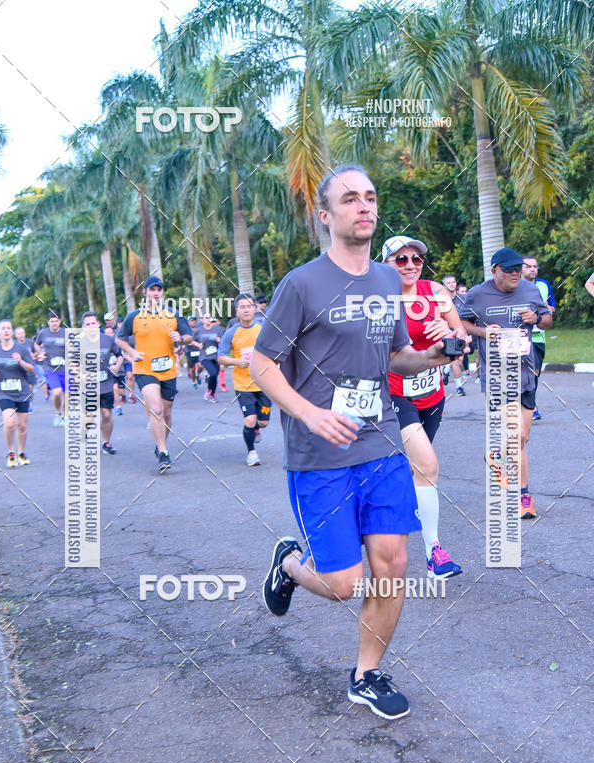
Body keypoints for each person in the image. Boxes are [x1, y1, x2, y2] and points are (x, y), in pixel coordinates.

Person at [250, 165, 456, 721]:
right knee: (342, 584)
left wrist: (440, 354)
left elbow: (394, 358)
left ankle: (367, 674)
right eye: (349, 199)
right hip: (320, 455)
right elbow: (262, 361)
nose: (363, 206)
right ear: (326, 215)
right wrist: (309, 414)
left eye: (370, 196)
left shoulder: (389, 281)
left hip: (382, 442)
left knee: (392, 563)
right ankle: (290, 564)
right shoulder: (302, 284)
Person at [384, 237, 468, 578]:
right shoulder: (378, 298)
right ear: (386, 263)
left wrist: (448, 331)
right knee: (428, 466)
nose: (410, 264)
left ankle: (384, 522)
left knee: (415, 470)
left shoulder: (434, 291)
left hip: (432, 393)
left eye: (416, 258)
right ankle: (434, 551)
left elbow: (461, 335)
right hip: (394, 392)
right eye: (400, 259)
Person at [460, 248, 552, 519]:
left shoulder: (530, 290)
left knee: (522, 438)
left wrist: (536, 319)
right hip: (498, 374)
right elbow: (464, 323)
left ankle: (497, 457)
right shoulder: (478, 294)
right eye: (509, 269)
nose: (515, 273)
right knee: (518, 436)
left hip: (527, 372)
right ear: (494, 270)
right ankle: (524, 496)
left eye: (518, 269)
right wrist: (483, 332)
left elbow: (547, 320)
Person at [116, 275, 193, 472]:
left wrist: (181, 338)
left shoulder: (174, 314)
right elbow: (120, 338)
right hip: (144, 369)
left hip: (168, 370)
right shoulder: (135, 316)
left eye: (159, 290)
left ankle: (160, 445)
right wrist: (132, 352)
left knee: (167, 414)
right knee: (156, 409)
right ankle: (164, 452)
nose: (156, 293)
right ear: (145, 293)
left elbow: (189, 336)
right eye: (152, 290)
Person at [218, 293, 271, 466]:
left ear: (255, 309)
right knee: (249, 419)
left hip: (264, 382)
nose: (246, 310)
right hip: (243, 384)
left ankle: (256, 428)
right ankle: (252, 453)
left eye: (249, 306)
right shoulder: (231, 333)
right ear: (237, 312)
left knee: (263, 422)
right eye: (242, 307)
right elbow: (221, 357)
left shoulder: (264, 328)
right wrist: (237, 361)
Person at [81, 312, 123, 454]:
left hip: (105, 383)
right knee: (90, 415)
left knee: (106, 414)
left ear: (98, 324)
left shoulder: (108, 340)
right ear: (83, 327)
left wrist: (116, 367)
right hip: (89, 386)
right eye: (87, 324)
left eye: (93, 323)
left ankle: (106, 442)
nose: (91, 326)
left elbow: (120, 356)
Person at [0, 319, 35, 466]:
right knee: (10, 423)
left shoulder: (21, 349)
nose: (6, 330)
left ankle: (21, 452)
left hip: (21, 391)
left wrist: (20, 362)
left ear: (11, 331)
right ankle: (11, 452)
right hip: (3, 392)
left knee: (22, 426)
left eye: (8, 328)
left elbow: (31, 369)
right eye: (3, 328)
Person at [522, 256, 555, 420]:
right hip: (520, 336)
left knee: (535, 371)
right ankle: (531, 406)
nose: (532, 269)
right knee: (527, 370)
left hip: (538, 336)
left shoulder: (544, 285)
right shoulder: (514, 285)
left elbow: (551, 307)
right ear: (521, 268)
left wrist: (549, 310)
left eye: (535, 266)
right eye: (528, 266)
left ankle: (527, 402)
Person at [35, 311, 67, 425]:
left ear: (59, 321)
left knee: (68, 395)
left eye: (56, 321)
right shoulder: (43, 333)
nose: (54, 323)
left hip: (65, 367)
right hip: (50, 367)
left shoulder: (65, 333)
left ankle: (64, 415)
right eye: (52, 321)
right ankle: (57, 413)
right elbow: (37, 344)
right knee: (57, 392)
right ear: (48, 322)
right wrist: (40, 353)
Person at [442, 275, 470, 385]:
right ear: (444, 285)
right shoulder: (442, 300)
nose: (451, 284)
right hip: (448, 333)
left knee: (459, 359)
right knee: (455, 360)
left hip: (462, 332)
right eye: (448, 283)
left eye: (453, 282)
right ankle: (459, 387)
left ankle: (446, 370)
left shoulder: (463, 299)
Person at [192, 313, 223, 403]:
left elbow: (221, 340)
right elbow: (192, 341)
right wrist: (198, 344)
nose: (208, 319)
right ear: (202, 320)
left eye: (209, 318)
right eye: (206, 318)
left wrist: (219, 341)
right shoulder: (199, 331)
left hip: (215, 356)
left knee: (215, 375)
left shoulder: (216, 330)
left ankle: (212, 395)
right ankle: (209, 390)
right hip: (204, 357)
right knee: (212, 373)